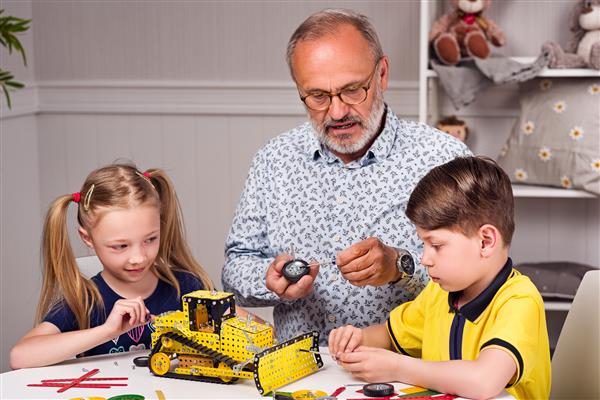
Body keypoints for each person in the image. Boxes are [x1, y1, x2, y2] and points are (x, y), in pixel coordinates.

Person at [222, 8, 471, 345]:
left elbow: (478, 282)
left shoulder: (444, 160)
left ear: (381, 74)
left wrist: (401, 268)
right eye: (318, 97)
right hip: (298, 373)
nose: (337, 112)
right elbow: (236, 268)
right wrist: (267, 280)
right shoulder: (273, 160)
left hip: (407, 375)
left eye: (353, 90)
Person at [328, 156, 551, 400]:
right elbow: (390, 336)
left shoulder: (519, 300)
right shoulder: (438, 293)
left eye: (436, 245)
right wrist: (358, 338)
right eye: (423, 244)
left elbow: (484, 380)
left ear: (486, 241)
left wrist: (396, 367)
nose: (424, 259)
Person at [10, 163, 215, 368]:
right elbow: (20, 357)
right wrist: (107, 331)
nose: (139, 257)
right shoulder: (84, 300)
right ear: (87, 238)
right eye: (121, 246)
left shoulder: (187, 286)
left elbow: (244, 326)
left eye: (150, 239)